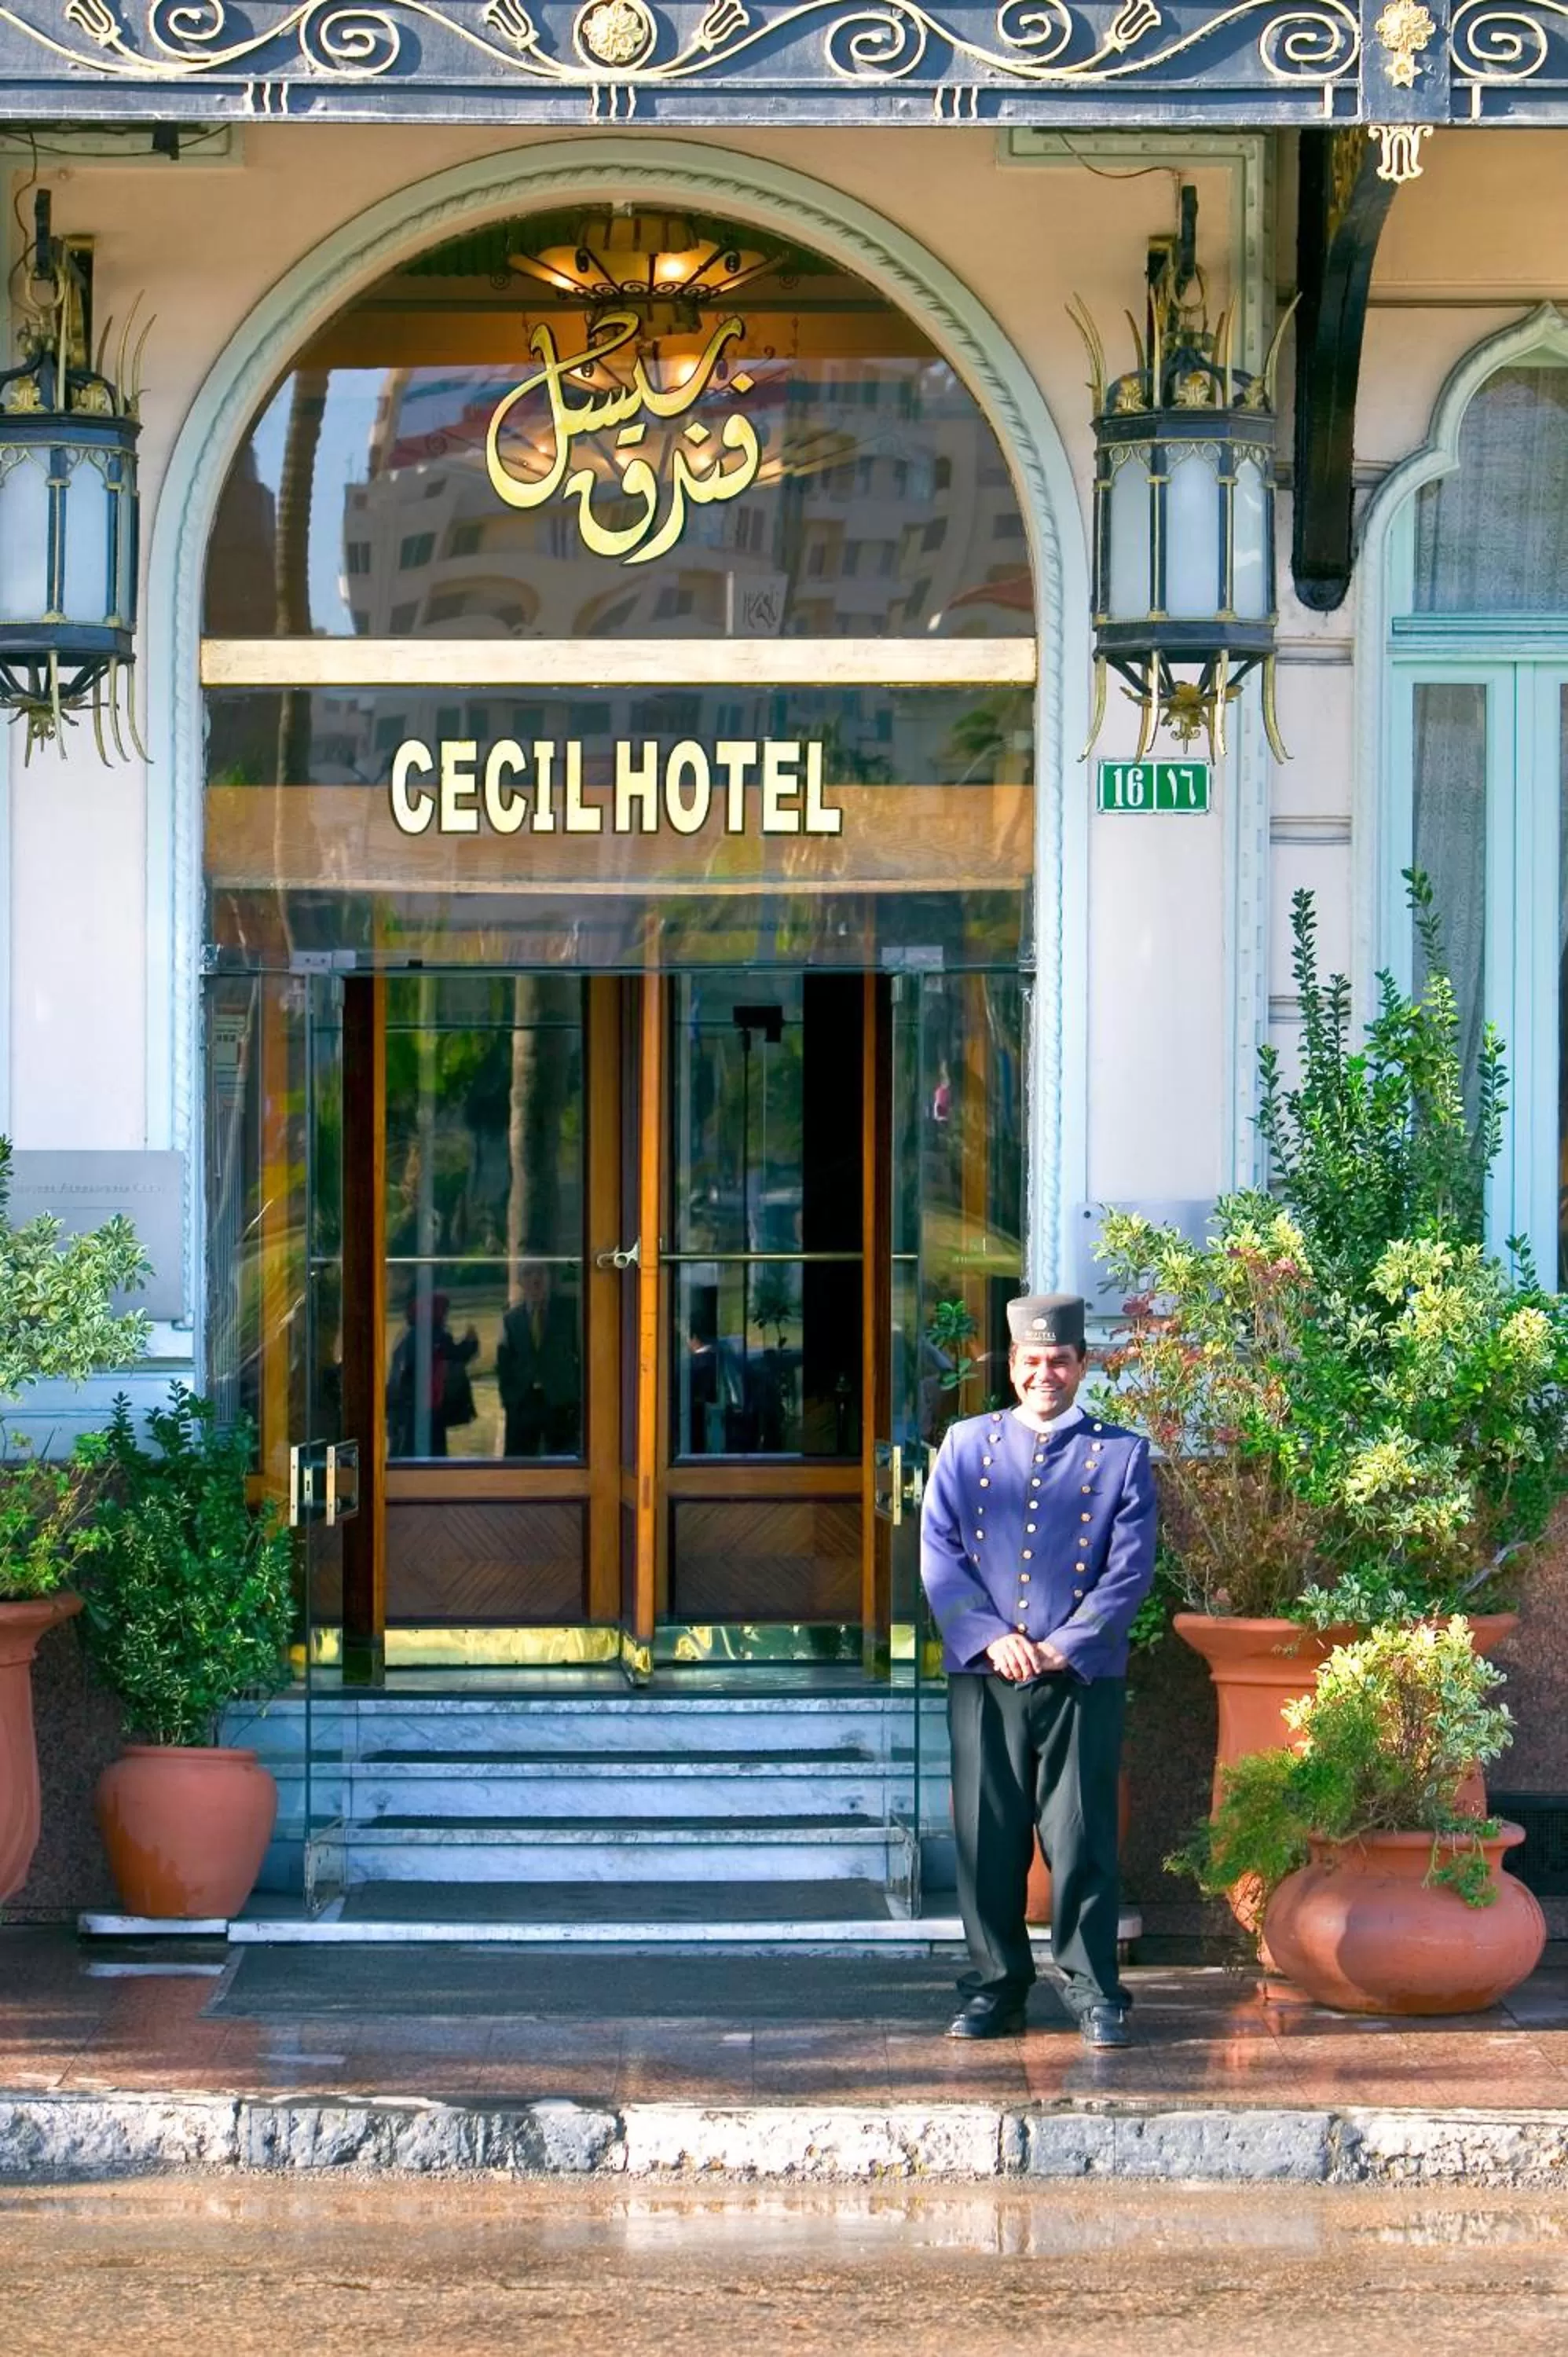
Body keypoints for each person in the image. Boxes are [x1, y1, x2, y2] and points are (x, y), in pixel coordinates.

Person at [920, 1291, 1156, 2049]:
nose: (1044, 1373)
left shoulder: (1122, 1455)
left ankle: (1096, 1992)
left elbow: (1129, 1570)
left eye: (1059, 1360)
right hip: (987, 1675)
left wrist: (1069, 1643)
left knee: (1080, 1834)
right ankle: (996, 1988)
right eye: (1031, 1361)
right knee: (987, 1838)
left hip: (1081, 1677)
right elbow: (940, 1555)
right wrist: (990, 1637)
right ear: (1012, 1367)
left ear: (1084, 1365)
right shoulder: (963, 1445)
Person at [496, 1263, 581, 1457]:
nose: (535, 1280)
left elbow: (581, 1352)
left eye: (541, 1273)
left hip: (561, 1401)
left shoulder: (569, 1311)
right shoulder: (512, 1319)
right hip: (523, 1402)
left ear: (550, 1277)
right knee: (520, 1461)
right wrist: (509, 1399)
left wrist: (577, 1394)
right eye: (528, 1274)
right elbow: (504, 1363)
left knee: (563, 1458)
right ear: (520, 1282)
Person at [386, 1287, 479, 1460]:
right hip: (423, 1411)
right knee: (430, 1458)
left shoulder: (407, 1336)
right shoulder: (433, 1335)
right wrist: (471, 1342)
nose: (444, 1316)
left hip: (405, 1412)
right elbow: (456, 1355)